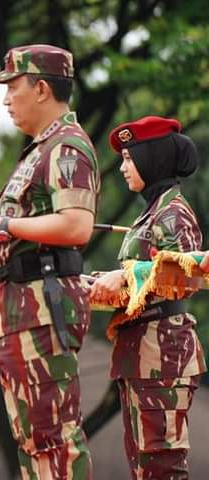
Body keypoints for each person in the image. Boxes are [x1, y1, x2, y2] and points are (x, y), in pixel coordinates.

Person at [0, 44, 99, 479]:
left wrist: (0, 224)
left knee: (53, 436)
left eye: (12, 87)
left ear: (39, 88)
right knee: (35, 438)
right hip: (19, 310)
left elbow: (76, 227)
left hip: (40, 308)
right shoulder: (40, 149)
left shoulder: (66, 146)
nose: (5, 99)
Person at [90, 116, 206, 479]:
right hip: (142, 351)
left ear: (151, 158)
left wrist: (123, 275)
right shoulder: (153, 212)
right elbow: (144, 278)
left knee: (162, 465)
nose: (123, 167)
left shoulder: (173, 213)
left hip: (163, 352)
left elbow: (185, 273)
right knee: (145, 465)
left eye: (129, 158)